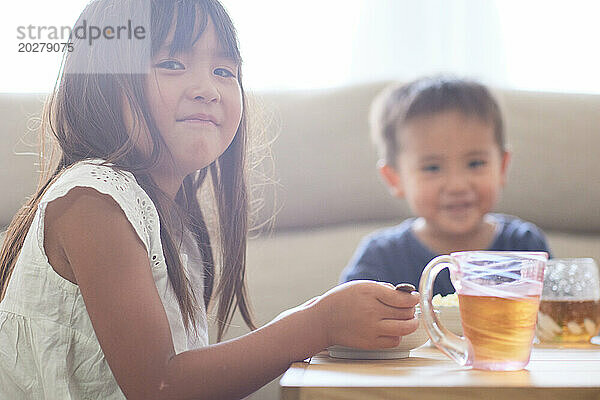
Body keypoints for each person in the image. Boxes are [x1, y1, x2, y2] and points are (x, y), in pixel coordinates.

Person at [0, 1, 419, 399]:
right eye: (171, 64)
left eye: (223, 70)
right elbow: (159, 387)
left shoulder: (172, 215)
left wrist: (318, 314)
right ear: (100, 82)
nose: (207, 89)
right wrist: (317, 324)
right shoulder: (94, 201)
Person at [340, 76, 551, 295]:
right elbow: (347, 324)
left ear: (502, 167)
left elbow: (554, 322)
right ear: (395, 179)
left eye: (475, 163)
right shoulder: (381, 257)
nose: (457, 185)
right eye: (432, 168)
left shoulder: (525, 246)